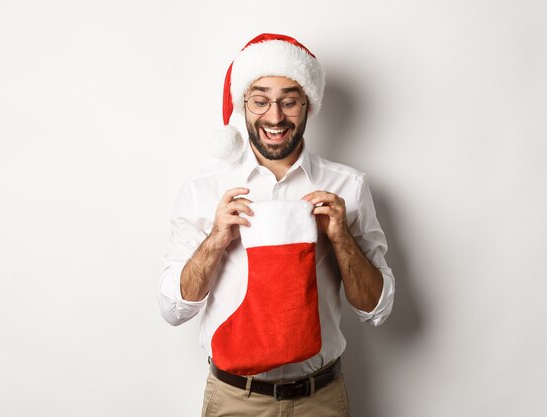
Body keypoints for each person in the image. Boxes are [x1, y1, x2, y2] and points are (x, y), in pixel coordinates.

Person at [159, 33, 395, 417]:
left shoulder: (347, 186)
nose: (274, 117)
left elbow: (378, 309)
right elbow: (173, 310)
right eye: (261, 100)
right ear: (243, 105)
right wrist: (216, 240)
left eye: (289, 101)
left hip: (320, 398)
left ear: (308, 105)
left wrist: (341, 237)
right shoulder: (204, 189)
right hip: (235, 399)